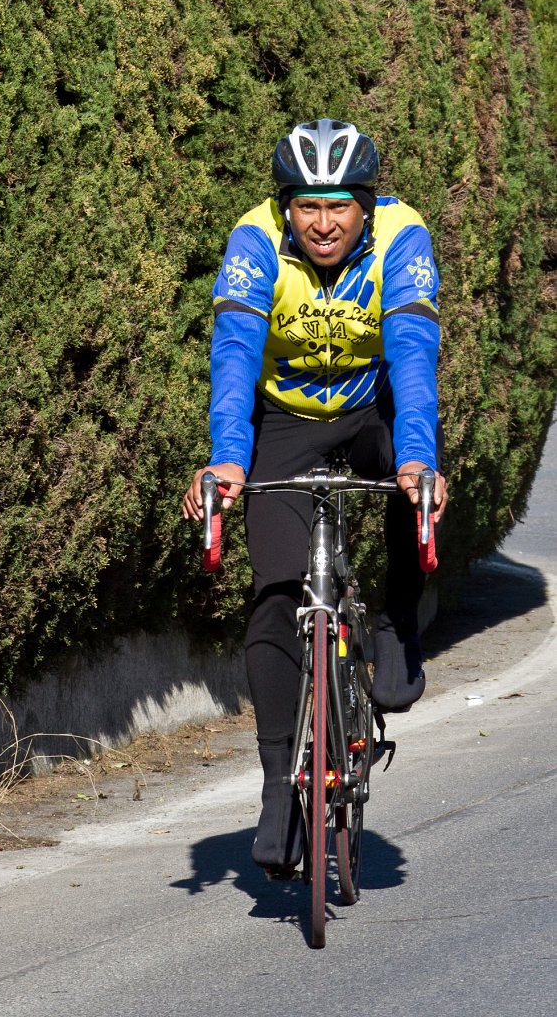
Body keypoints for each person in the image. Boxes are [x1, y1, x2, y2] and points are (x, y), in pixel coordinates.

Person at [183, 118, 448, 876]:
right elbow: (235, 353)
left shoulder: (401, 236)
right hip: (285, 416)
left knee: (413, 484)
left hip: (373, 408)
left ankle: (397, 622)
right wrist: (227, 460)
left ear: (366, 205)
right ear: (285, 206)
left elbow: (412, 352)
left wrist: (419, 460)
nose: (322, 224)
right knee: (273, 593)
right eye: (306, 206)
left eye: (338, 207)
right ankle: (277, 789)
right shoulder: (255, 239)